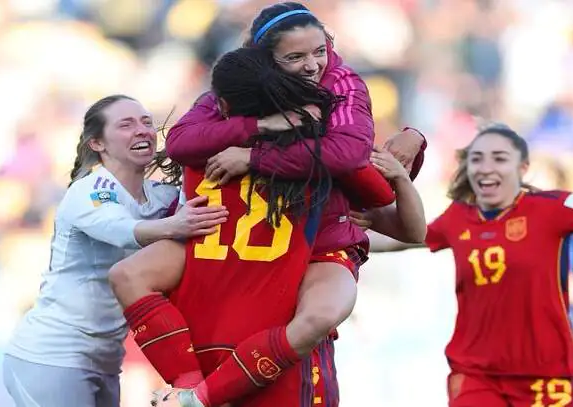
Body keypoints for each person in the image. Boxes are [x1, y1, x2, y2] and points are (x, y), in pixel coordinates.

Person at [109, 46, 426, 407]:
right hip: (274, 335)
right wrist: (408, 149)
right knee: (316, 321)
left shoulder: (201, 145)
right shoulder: (324, 154)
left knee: (127, 275)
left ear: (224, 106)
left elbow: (180, 140)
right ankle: (195, 395)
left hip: (205, 318)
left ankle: (188, 386)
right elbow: (391, 205)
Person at [165, 0, 426, 384]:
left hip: (314, 250)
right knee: (132, 276)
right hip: (246, 259)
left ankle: (198, 394)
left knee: (309, 333)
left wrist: (254, 156)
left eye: (320, 51)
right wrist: (261, 125)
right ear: (265, 61)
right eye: (296, 56)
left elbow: (353, 160)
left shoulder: (341, 84)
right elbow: (180, 142)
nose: (313, 65)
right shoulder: (241, 89)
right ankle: (187, 385)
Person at [365, 123, 573, 406]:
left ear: (522, 168)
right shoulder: (459, 216)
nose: (486, 167)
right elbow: (399, 240)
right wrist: (337, 235)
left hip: (545, 375)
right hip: (477, 373)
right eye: (477, 159)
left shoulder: (552, 207)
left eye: (499, 158)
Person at [2, 95, 229, 407]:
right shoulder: (90, 190)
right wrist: (176, 225)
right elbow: (120, 230)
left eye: (147, 122)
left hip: (106, 358)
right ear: (98, 143)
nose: (142, 130)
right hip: (53, 355)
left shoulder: (160, 197)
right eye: (126, 125)